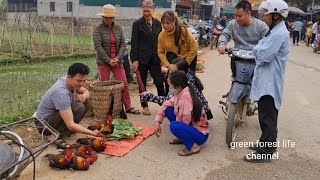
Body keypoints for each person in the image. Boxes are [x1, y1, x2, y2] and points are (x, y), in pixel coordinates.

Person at [244, 0, 290, 163]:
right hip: (267, 81)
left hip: (270, 83)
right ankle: (265, 144)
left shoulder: (278, 33)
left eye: (266, 14)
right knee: (265, 115)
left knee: (267, 117)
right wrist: (258, 49)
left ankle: (265, 152)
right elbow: (260, 47)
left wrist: (257, 50)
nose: (263, 17)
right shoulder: (274, 31)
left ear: (276, 15)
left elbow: (263, 55)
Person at [36, 63, 106, 148]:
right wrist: (93, 133)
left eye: (84, 81)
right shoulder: (61, 92)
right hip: (44, 124)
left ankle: (65, 131)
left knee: (85, 103)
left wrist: (83, 96)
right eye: (79, 81)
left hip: (53, 117)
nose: (82, 84)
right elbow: (71, 125)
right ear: (69, 77)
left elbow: (87, 92)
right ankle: (53, 135)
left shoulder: (69, 81)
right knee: (79, 107)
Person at [94, 4, 140, 115]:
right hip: (104, 61)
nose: (108, 19)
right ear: (103, 17)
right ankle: (106, 110)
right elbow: (98, 46)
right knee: (105, 86)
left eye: (111, 17)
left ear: (114, 17)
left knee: (123, 83)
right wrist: (109, 60)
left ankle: (128, 106)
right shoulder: (98, 30)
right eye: (106, 17)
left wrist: (117, 59)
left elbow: (123, 45)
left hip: (118, 61)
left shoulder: (118, 29)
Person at [154, 70, 209, 156]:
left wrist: (178, 128)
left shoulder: (185, 98)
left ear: (177, 85)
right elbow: (166, 103)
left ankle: (194, 147)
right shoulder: (182, 91)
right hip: (191, 126)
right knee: (168, 109)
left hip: (200, 135)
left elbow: (184, 122)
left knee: (174, 126)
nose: (169, 88)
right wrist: (157, 121)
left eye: (170, 85)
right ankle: (183, 138)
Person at [141, 57, 213, 120]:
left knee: (168, 109)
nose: (169, 73)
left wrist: (149, 96)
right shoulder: (187, 76)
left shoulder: (183, 84)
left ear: (181, 72)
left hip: (196, 116)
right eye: (169, 70)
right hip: (200, 113)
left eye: (172, 71)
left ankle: (185, 127)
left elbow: (167, 100)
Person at [218, 0, 269, 79]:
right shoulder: (232, 24)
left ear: (248, 13)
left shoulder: (261, 26)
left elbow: (268, 41)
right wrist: (222, 44)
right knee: (235, 79)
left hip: (256, 62)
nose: (237, 19)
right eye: (235, 16)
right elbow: (225, 34)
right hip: (237, 61)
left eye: (240, 16)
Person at [130, 0, 164, 116]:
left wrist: (161, 57)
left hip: (155, 59)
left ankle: (163, 105)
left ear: (152, 10)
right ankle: (144, 106)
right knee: (142, 83)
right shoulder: (137, 24)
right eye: (144, 11)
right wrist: (134, 60)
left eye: (148, 11)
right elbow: (134, 43)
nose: (146, 13)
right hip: (142, 59)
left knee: (159, 82)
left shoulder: (158, 24)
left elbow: (160, 41)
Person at [158, 10, 198, 94]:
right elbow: (161, 52)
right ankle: (169, 103)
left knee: (188, 84)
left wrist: (186, 62)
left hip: (187, 60)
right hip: (173, 62)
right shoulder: (161, 35)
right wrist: (169, 66)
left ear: (174, 22)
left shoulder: (183, 31)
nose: (165, 25)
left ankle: (190, 103)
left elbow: (194, 47)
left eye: (168, 23)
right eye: (163, 23)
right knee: (170, 84)